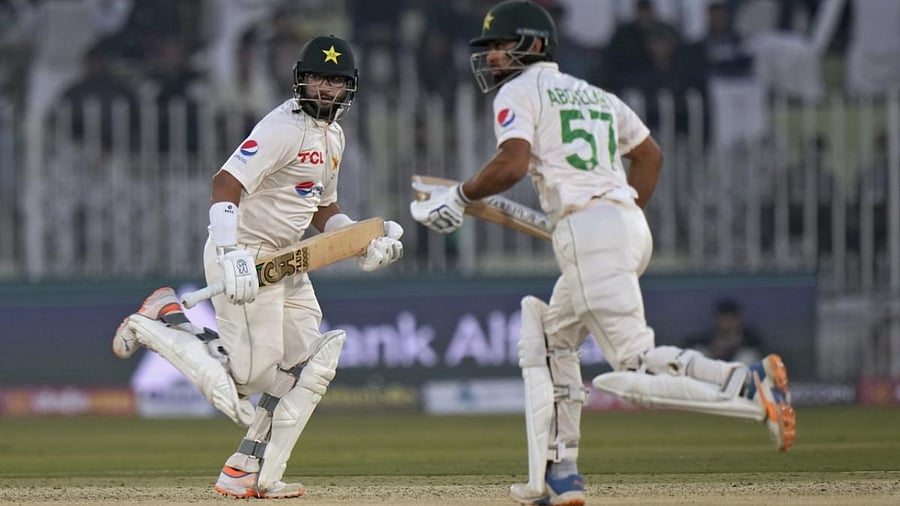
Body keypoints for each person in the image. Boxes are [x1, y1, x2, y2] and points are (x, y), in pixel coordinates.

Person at [408, 2, 795, 505]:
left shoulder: (520, 91)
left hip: (590, 230)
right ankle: (560, 472)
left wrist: (461, 196)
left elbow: (512, 163)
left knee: (633, 365)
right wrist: (621, 212)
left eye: (501, 46)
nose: (494, 58)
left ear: (533, 44)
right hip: (624, 226)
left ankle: (747, 382)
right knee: (550, 341)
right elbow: (650, 155)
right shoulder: (594, 94)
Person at [112, 35, 404, 499]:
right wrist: (231, 255)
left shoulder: (335, 137)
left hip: (290, 260)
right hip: (246, 254)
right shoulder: (282, 127)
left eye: (335, 81)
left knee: (303, 368)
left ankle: (244, 468)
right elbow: (225, 183)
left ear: (348, 88)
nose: (325, 89)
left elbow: (322, 208)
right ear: (300, 81)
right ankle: (162, 318)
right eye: (317, 78)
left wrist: (361, 241)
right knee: (248, 379)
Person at [686, 298, 764, 365]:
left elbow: (761, 351)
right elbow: (688, 345)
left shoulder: (749, 336)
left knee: (748, 355)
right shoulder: (710, 335)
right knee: (699, 352)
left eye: (731, 318)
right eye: (724, 318)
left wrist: (736, 345)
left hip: (738, 373)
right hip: (713, 371)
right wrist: (714, 348)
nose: (728, 322)